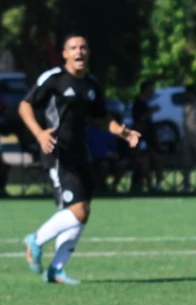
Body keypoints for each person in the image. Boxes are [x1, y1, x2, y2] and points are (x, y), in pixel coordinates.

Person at [20, 33, 140, 285]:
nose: (79, 52)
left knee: (81, 213)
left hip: (79, 153)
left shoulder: (92, 85)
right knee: (78, 210)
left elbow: (101, 117)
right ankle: (36, 240)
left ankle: (56, 270)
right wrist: (39, 133)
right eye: (73, 48)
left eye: (83, 47)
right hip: (57, 151)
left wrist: (121, 131)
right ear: (65, 54)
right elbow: (25, 106)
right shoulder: (54, 79)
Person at [130, 80, 163, 192]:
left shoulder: (148, 102)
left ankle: (158, 184)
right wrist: (150, 112)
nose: (153, 92)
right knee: (144, 161)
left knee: (157, 159)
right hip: (141, 138)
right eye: (151, 89)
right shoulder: (138, 104)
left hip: (150, 138)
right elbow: (139, 121)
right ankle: (149, 185)